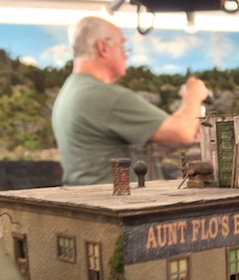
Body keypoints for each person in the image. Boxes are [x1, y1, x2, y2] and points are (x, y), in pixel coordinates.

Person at [52, 16, 210, 185]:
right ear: (103, 47)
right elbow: (181, 133)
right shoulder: (103, 96)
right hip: (117, 198)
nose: (126, 55)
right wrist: (194, 95)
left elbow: (108, 150)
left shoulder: (72, 90)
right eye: (122, 45)